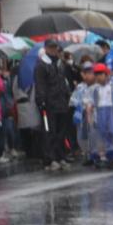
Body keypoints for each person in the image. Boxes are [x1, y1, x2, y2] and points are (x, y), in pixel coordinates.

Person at [34, 39, 71, 171]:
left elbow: (64, 82)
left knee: (61, 132)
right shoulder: (42, 65)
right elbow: (40, 85)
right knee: (49, 131)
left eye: (55, 47)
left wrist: (67, 96)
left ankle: (61, 156)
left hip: (61, 102)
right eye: (51, 47)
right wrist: (41, 100)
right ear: (46, 48)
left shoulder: (60, 64)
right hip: (49, 104)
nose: (54, 49)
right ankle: (50, 158)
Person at [88, 64, 113, 169]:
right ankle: (110, 152)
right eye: (96, 74)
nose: (99, 77)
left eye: (101, 74)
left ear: (106, 74)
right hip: (100, 111)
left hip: (111, 110)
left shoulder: (112, 86)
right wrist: (91, 111)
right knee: (103, 132)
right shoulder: (96, 89)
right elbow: (92, 101)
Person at [70, 62, 95, 166]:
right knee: (83, 136)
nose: (89, 75)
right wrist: (80, 105)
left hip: (94, 114)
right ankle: (88, 154)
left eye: (91, 72)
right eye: (86, 73)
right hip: (82, 115)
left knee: (94, 134)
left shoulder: (97, 86)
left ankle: (96, 154)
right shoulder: (80, 87)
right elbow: (72, 101)